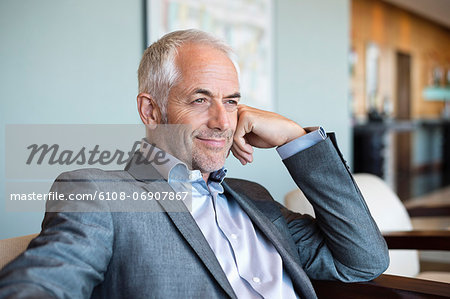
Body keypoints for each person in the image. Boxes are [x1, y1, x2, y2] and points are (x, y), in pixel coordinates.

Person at [0, 29, 389, 299]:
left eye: (232, 101)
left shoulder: (256, 200)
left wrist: (294, 139)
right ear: (151, 110)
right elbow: (48, 277)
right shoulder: (99, 192)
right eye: (201, 100)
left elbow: (365, 261)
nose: (223, 121)